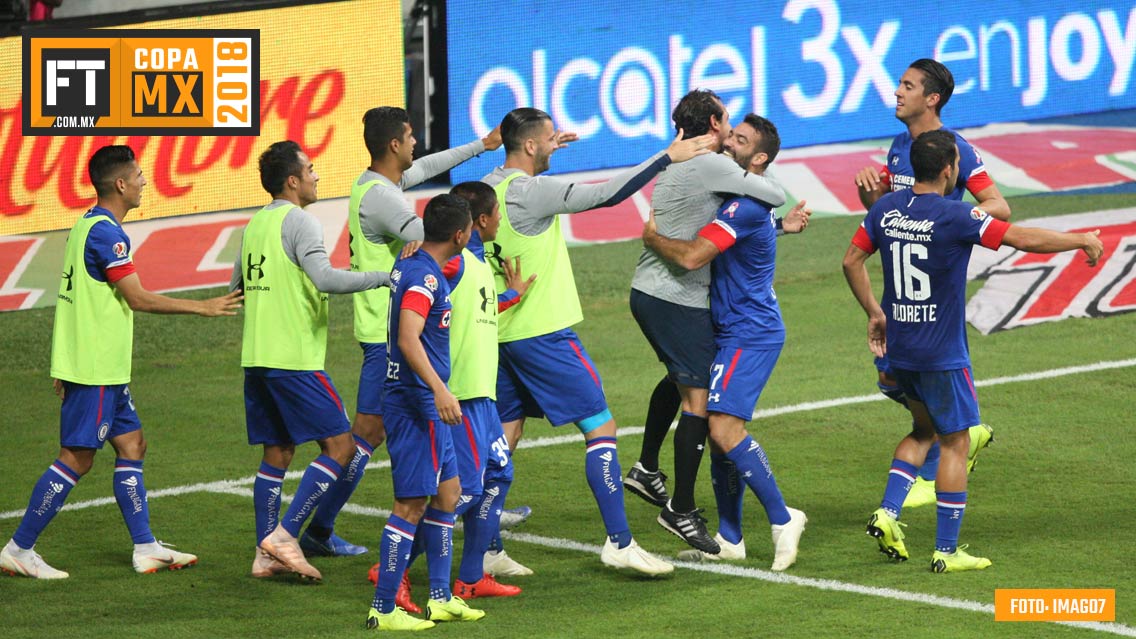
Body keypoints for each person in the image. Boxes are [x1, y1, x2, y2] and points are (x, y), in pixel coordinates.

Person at [843, 129, 1103, 572]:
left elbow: (851, 260)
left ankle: (888, 511)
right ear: (949, 170)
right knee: (956, 443)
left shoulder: (885, 208)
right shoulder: (956, 215)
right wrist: (1079, 239)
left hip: (900, 348)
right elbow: (1021, 238)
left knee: (922, 432)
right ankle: (946, 551)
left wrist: (875, 311)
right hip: (942, 353)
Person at [481, 107, 712, 576]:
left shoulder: (490, 187)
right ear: (528, 146)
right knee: (601, 429)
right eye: (547, 140)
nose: (553, 145)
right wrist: (666, 156)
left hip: (500, 335)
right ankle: (620, 542)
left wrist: (546, 144)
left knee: (505, 436)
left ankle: (485, 547)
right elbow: (606, 195)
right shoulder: (532, 191)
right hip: (543, 335)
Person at [0, 144, 242, 580]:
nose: (145, 181)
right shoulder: (106, 234)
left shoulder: (85, 226)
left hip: (101, 367)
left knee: (133, 445)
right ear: (120, 183)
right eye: (139, 175)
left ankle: (146, 546)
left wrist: (62, 362)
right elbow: (137, 297)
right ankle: (19, 548)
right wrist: (202, 307)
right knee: (77, 457)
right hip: (94, 368)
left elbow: (72, 299)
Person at [298, 106, 502, 559]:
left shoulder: (375, 183)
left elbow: (427, 168)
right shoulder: (383, 199)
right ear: (394, 144)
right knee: (362, 439)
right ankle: (305, 530)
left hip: (381, 329)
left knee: (367, 436)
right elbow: (440, 238)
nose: (416, 145)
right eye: (410, 137)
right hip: (385, 334)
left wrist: (480, 147)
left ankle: (318, 528)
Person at [642, 115, 809, 572]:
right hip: (733, 329)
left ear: (757, 158)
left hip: (749, 333)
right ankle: (731, 537)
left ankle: (782, 517)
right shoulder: (746, 198)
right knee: (719, 440)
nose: (727, 142)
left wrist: (653, 238)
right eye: (730, 133)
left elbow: (695, 254)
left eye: (739, 140)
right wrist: (783, 228)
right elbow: (752, 236)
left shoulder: (745, 206)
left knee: (723, 431)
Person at [366, 181, 535, 606]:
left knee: (496, 476)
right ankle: (396, 570)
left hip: (480, 394)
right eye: (497, 213)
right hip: (454, 395)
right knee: (459, 492)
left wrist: (512, 295)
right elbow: (417, 307)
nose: (502, 220)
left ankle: (468, 578)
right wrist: (414, 250)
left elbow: (473, 310)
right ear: (472, 224)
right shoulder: (448, 266)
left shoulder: (471, 263)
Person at [233, 140, 391, 583]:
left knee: (278, 452)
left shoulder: (255, 224)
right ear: (292, 181)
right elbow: (324, 277)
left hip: (258, 355)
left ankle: (266, 553)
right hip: (294, 357)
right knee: (340, 447)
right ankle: (285, 537)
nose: (317, 176)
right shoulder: (300, 221)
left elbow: (239, 284)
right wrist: (384, 277)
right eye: (311, 169)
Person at [853, 58, 1008, 508]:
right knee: (896, 383)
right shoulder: (898, 148)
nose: (897, 92)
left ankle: (946, 453)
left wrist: (955, 219)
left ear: (932, 98)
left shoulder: (957, 149)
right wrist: (873, 200)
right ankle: (956, 441)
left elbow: (997, 205)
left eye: (908, 85)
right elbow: (888, 213)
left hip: (937, 294)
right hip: (899, 293)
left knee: (926, 386)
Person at [366, 194, 485, 631]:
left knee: (448, 494)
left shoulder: (412, 262)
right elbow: (408, 338)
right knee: (410, 504)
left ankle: (440, 597)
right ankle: (383, 608)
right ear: (460, 234)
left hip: (423, 401)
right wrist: (439, 390)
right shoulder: (425, 279)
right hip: (416, 401)